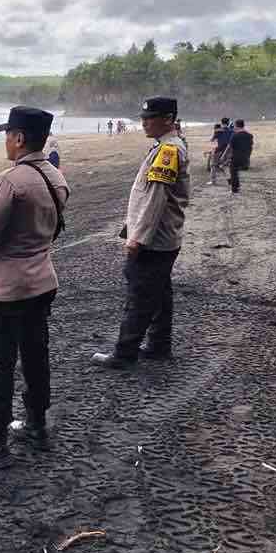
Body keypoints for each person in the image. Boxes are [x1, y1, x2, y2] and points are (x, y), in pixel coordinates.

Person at [0, 106, 70, 463]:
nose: (5, 141)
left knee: (0, 365)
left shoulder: (10, 181)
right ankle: (36, 424)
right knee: (36, 357)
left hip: (6, 290)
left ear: (19, 138)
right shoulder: (56, 176)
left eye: (7, 134)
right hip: (42, 280)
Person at [92, 97, 190, 369]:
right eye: (143, 117)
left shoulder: (168, 150)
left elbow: (156, 198)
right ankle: (159, 345)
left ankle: (124, 354)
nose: (144, 122)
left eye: (150, 117)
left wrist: (138, 238)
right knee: (159, 292)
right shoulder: (167, 146)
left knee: (140, 294)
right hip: (164, 237)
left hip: (155, 240)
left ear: (168, 119)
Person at [224, 118, 254, 194]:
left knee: (233, 171)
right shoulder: (250, 135)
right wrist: (248, 156)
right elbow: (250, 147)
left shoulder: (235, 136)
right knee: (235, 172)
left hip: (236, 157)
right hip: (246, 158)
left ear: (237, 126)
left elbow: (229, 147)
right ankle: (237, 186)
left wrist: (223, 157)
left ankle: (234, 189)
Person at [209, 117, 234, 185]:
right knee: (224, 165)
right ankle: (229, 178)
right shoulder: (231, 131)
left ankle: (213, 181)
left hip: (219, 150)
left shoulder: (218, 131)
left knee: (213, 165)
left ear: (222, 123)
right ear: (228, 123)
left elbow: (212, 140)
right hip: (228, 150)